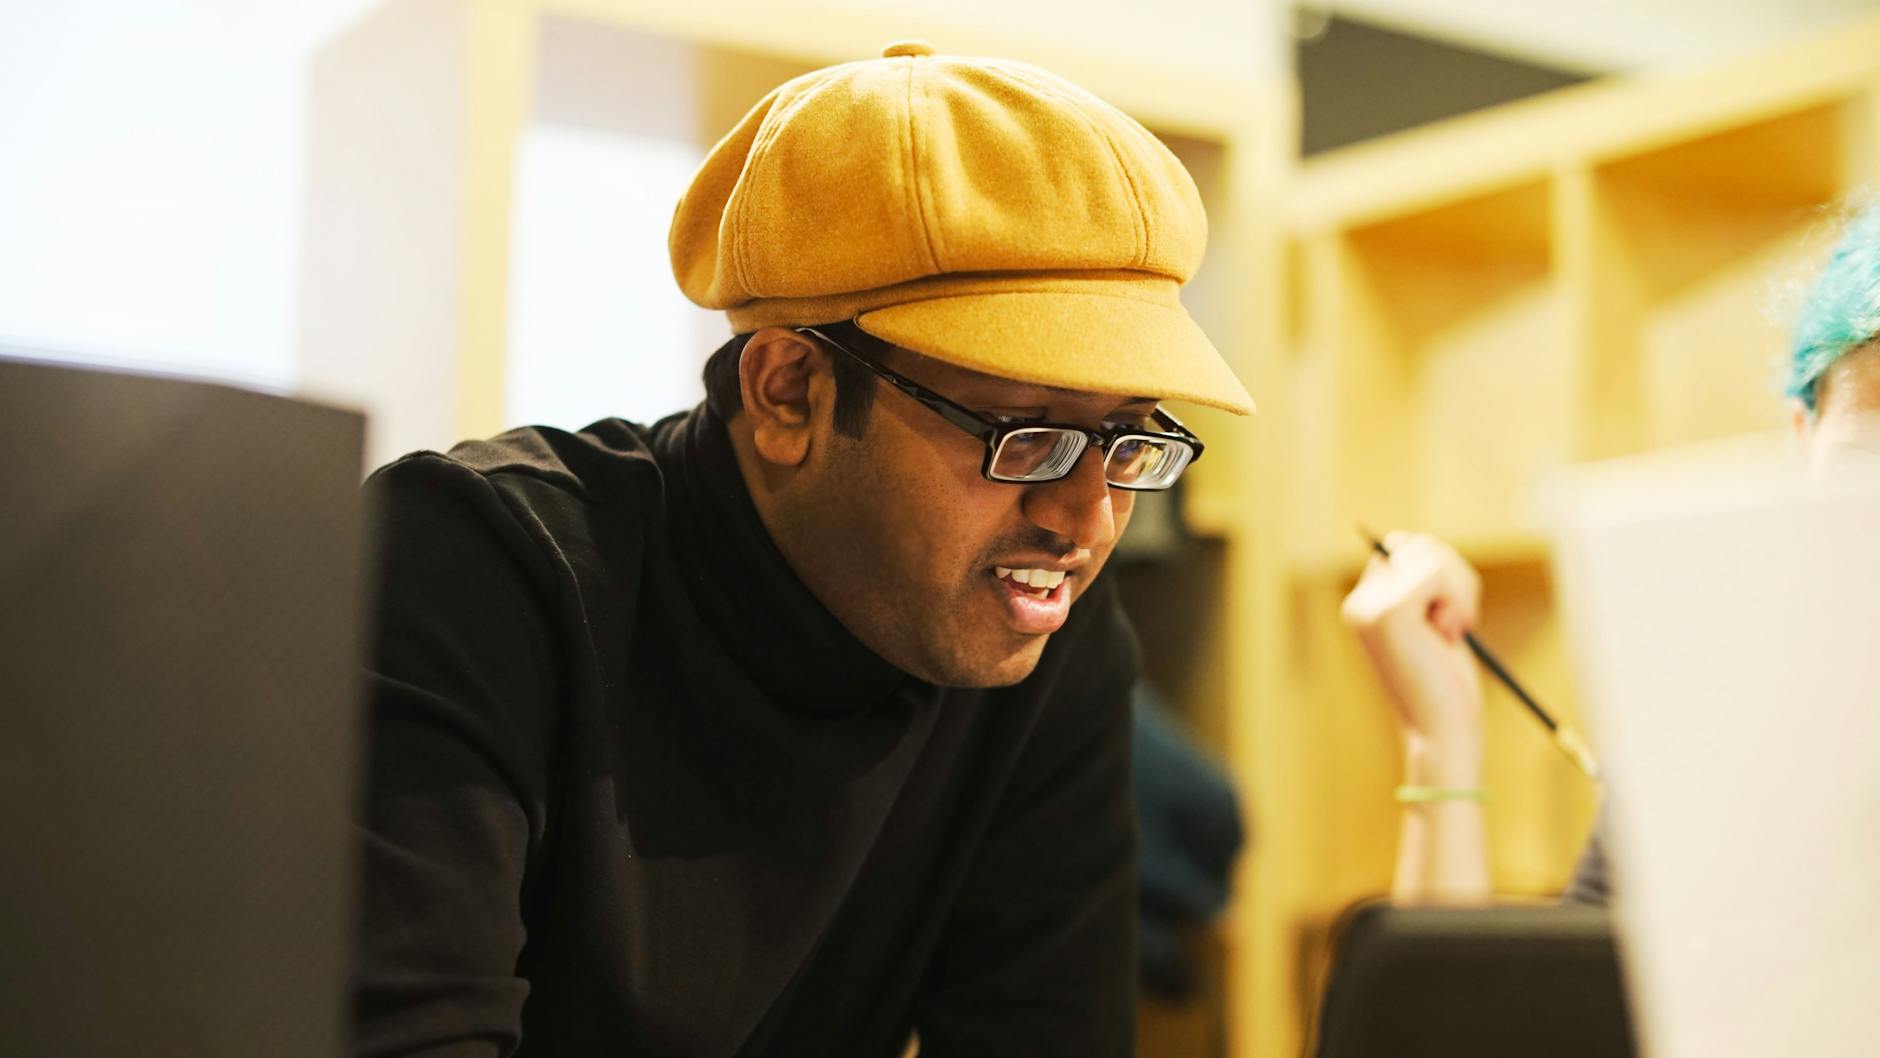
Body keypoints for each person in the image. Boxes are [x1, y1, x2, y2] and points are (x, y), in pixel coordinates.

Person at [350, 40, 1257, 1058]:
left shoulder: (1053, 640)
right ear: (787, 391)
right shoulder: (479, 571)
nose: (1086, 516)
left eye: (1127, 437)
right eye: (1025, 432)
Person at [1340, 205, 1880, 907]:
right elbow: (1496, 1016)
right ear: (1801, 439)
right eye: (1865, 464)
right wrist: (1440, 737)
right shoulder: (1724, 733)